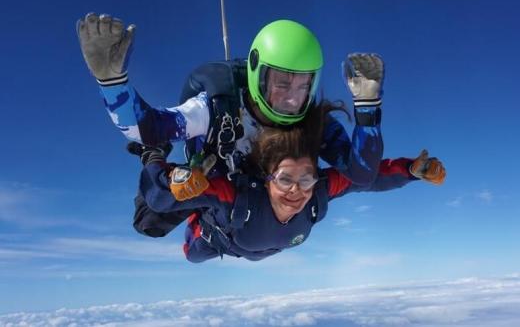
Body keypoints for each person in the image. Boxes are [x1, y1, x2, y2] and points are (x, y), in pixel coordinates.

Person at [77, 13, 385, 195]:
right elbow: (147, 128)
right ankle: (155, 161)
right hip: (219, 192)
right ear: (256, 74)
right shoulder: (215, 109)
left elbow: (361, 173)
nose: (293, 98)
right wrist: (113, 83)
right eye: (281, 84)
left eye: (305, 86)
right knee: (161, 205)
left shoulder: (313, 122)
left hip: (272, 198)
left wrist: (367, 105)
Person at [133, 101, 446, 262]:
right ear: (267, 179)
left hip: (254, 242)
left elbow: (367, 179)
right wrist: (159, 166)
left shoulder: (317, 193)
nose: (297, 190)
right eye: (285, 179)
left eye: (306, 178)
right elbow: (160, 199)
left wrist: (411, 170)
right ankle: (160, 155)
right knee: (189, 254)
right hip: (218, 239)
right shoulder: (233, 195)